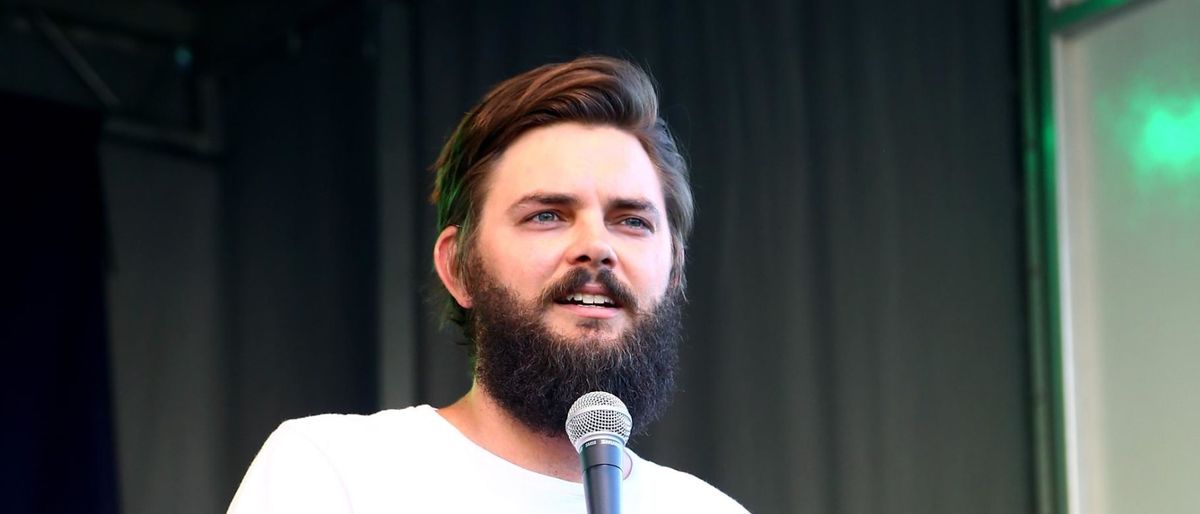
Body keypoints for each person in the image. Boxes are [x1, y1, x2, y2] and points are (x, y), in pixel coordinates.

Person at [227, 56, 748, 513]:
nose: (596, 245)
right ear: (459, 267)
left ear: (675, 272)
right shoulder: (331, 472)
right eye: (547, 215)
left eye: (631, 221)